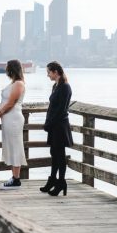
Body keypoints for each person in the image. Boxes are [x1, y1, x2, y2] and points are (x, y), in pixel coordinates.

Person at [40, 61, 73, 196]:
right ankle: (52, 180)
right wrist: (48, 122)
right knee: (54, 153)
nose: (48, 75)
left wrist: (50, 123)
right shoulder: (56, 86)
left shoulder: (65, 87)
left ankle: (61, 182)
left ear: (55, 72)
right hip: (53, 126)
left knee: (60, 155)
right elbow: (52, 108)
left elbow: (61, 110)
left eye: (49, 72)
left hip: (60, 126)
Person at [0, 59, 27, 189]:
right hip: (8, 118)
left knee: (16, 146)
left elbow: (11, 103)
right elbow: (5, 101)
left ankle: (16, 179)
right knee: (11, 146)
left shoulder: (19, 83)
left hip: (14, 118)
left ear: (12, 69)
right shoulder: (13, 83)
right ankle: (14, 177)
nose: (6, 70)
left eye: (7, 67)